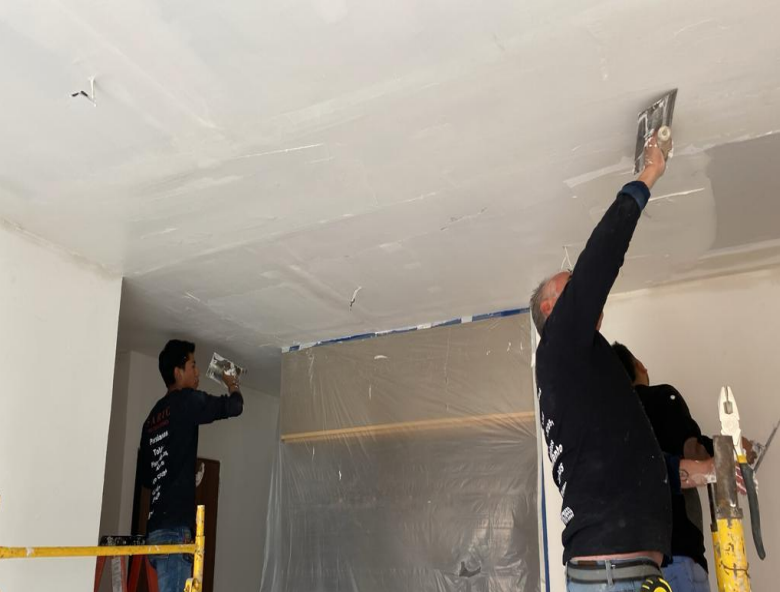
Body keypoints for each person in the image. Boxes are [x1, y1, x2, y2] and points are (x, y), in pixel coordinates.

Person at [531, 136, 716, 592]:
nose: (583, 290)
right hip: (615, 577)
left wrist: (713, 471)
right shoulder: (557, 346)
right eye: (571, 286)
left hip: (624, 575)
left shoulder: (587, 379)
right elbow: (600, 260)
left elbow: (642, 468)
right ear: (552, 310)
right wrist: (646, 177)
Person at [611, 342, 756, 592]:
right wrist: (733, 450)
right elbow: (695, 453)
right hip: (677, 555)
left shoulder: (610, 420)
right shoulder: (662, 397)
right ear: (639, 366)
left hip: (627, 566)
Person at [139, 339, 244, 592]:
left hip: (155, 532)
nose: (197, 372)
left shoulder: (152, 418)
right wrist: (232, 384)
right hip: (175, 533)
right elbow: (234, 406)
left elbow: (146, 477)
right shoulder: (185, 401)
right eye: (193, 365)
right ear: (178, 372)